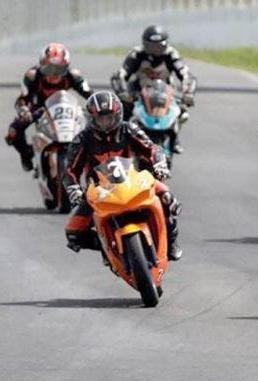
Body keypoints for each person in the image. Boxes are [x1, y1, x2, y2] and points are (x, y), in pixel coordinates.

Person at [63, 91, 182, 261]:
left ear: (117, 115)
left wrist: (159, 163)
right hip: (99, 191)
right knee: (74, 234)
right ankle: (107, 247)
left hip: (134, 180)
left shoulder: (129, 129)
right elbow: (70, 170)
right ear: (91, 118)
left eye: (109, 118)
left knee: (168, 200)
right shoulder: (82, 139)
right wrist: (73, 188)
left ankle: (171, 242)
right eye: (100, 119)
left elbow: (153, 148)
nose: (105, 123)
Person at [111, 24, 197, 154]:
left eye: (158, 46)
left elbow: (186, 75)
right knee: (124, 111)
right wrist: (123, 93)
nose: (155, 50)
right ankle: (123, 140)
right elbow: (121, 75)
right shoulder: (137, 54)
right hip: (139, 91)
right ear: (144, 44)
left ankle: (174, 138)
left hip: (165, 91)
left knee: (182, 111)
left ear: (165, 44)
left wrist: (188, 93)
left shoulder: (171, 55)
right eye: (151, 46)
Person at [6, 43, 92, 172]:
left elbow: (91, 96)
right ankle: (27, 155)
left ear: (66, 68)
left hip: (65, 107)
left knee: (97, 128)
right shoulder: (32, 76)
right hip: (40, 109)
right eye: (48, 69)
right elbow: (21, 100)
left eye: (59, 70)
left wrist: (96, 110)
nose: (53, 75)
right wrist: (24, 110)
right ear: (41, 66)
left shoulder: (74, 76)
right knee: (14, 131)